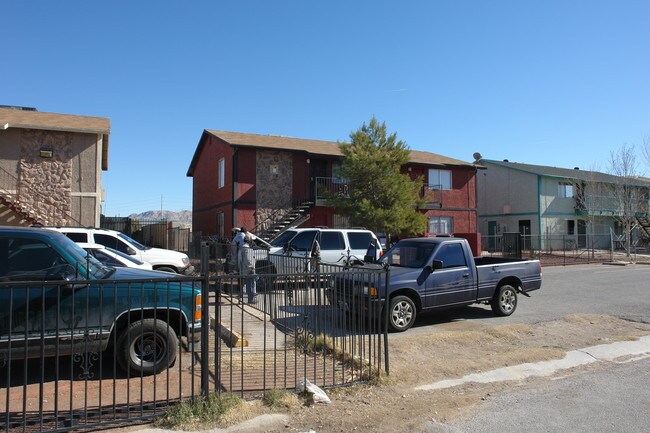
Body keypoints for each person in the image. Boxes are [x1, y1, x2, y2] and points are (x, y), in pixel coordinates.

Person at [237, 233, 257, 303]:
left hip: (243, 269)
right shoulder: (247, 248)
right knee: (251, 284)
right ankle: (251, 299)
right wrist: (251, 268)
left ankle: (241, 298)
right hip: (249, 269)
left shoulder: (242, 247)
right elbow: (249, 260)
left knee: (244, 285)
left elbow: (240, 259)